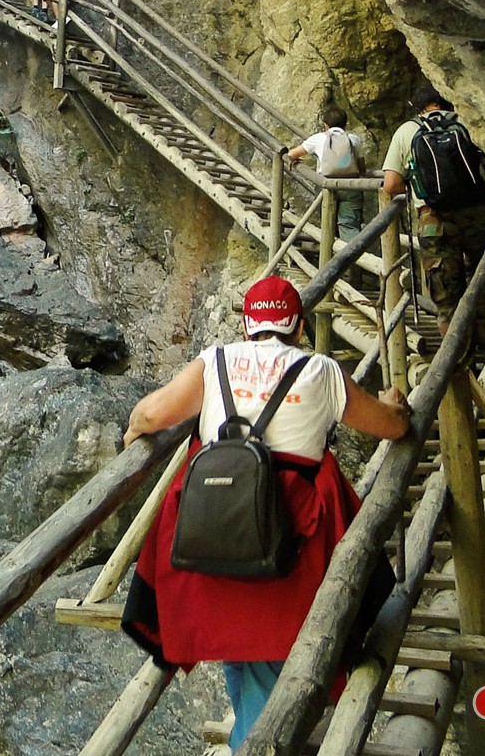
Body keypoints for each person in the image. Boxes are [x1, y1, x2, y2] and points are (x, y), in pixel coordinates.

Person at [120, 276, 409, 749]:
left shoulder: (217, 361)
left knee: (243, 652)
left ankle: (248, 735)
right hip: (287, 549)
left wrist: (134, 431)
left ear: (246, 325)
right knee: (268, 656)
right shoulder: (321, 371)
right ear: (299, 329)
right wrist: (396, 405)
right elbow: (390, 427)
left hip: (211, 540)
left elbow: (151, 415)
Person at [380, 85, 485, 320]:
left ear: (418, 109)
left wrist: (416, 184)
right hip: (478, 214)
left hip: (434, 220)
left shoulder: (408, 130)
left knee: (446, 298)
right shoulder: (469, 124)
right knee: (483, 281)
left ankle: (454, 353)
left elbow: (391, 184)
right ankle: (484, 342)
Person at [287, 107, 367, 242]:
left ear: (325, 124)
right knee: (350, 225)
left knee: (328, 224)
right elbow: (362, 168)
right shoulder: (354, 139)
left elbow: (291, 154)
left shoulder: (319, 138)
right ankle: (353, 259)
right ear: (346, 124)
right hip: (351, 186)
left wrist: (295, 161)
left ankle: (329, 256)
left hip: (326, 186)